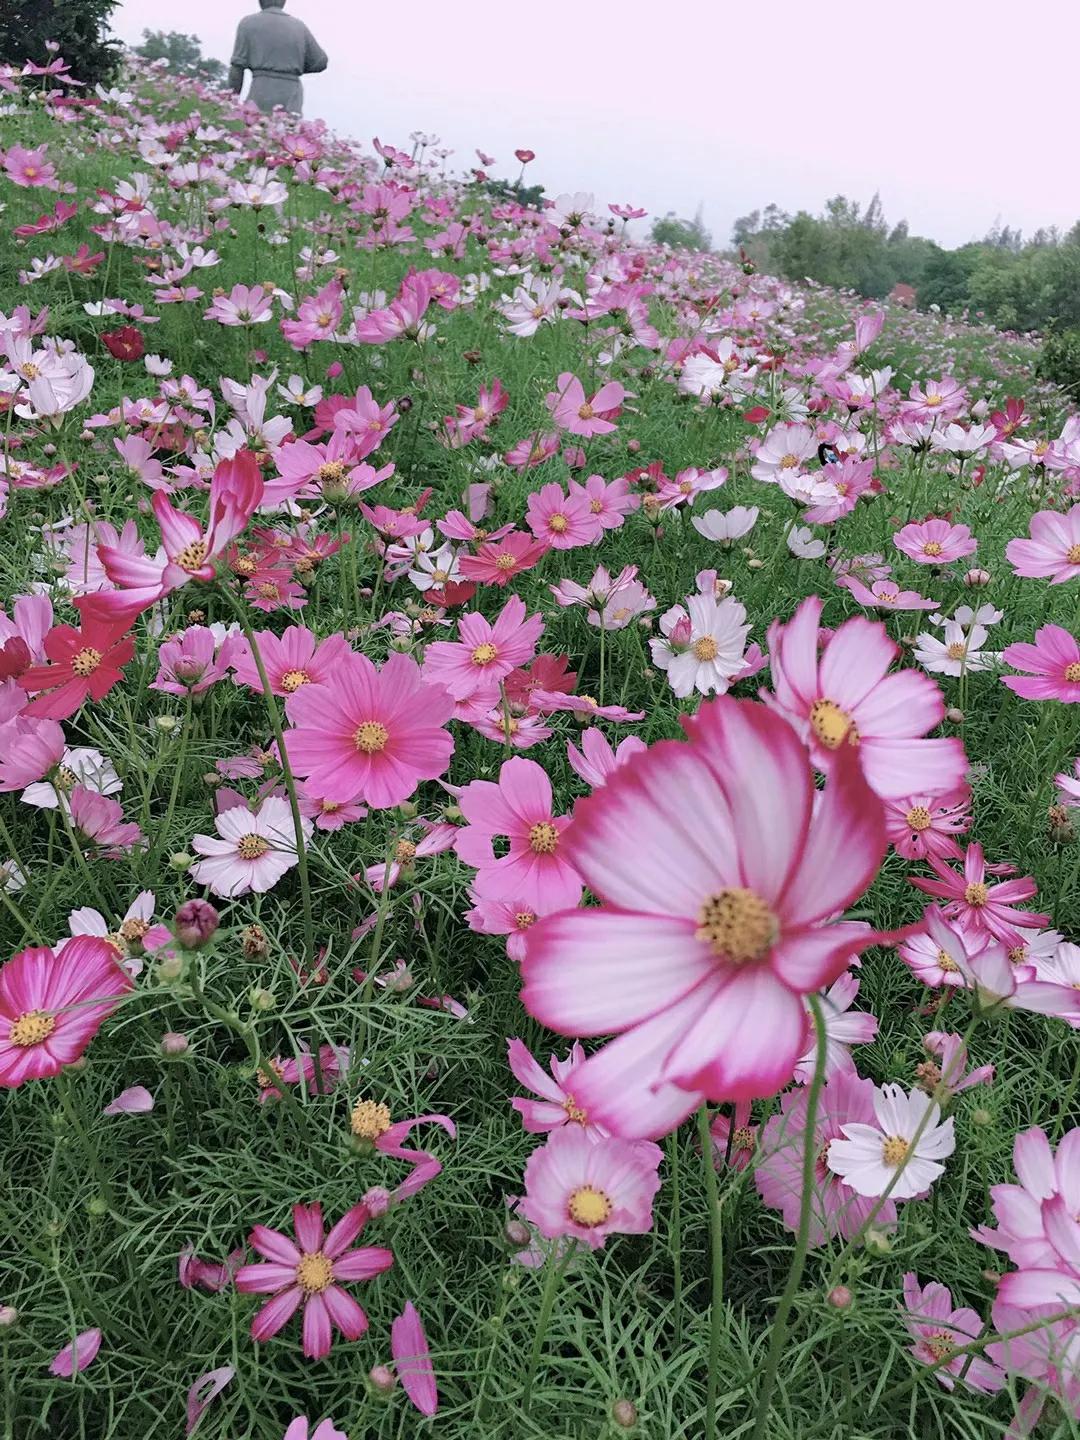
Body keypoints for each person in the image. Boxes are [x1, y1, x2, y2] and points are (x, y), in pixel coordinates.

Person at [228, 0, 327, 117]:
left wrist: (229, 103)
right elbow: (320, 62)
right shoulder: (299, 26)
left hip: (261, 89)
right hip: (291, 92)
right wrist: (294, 66)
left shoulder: (248, 23)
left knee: (257, 124)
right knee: (288, 126)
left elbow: (237, 68)